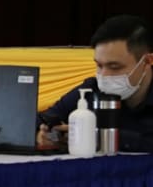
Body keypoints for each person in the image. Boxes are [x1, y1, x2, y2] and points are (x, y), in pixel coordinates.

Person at [37, 14, 153, 152]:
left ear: (147, 61)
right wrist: (43, 133)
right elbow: (45, 118)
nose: (104, 75)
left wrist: (98, 136)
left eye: (114, 67)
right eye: (99, 65)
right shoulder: (91, 89)